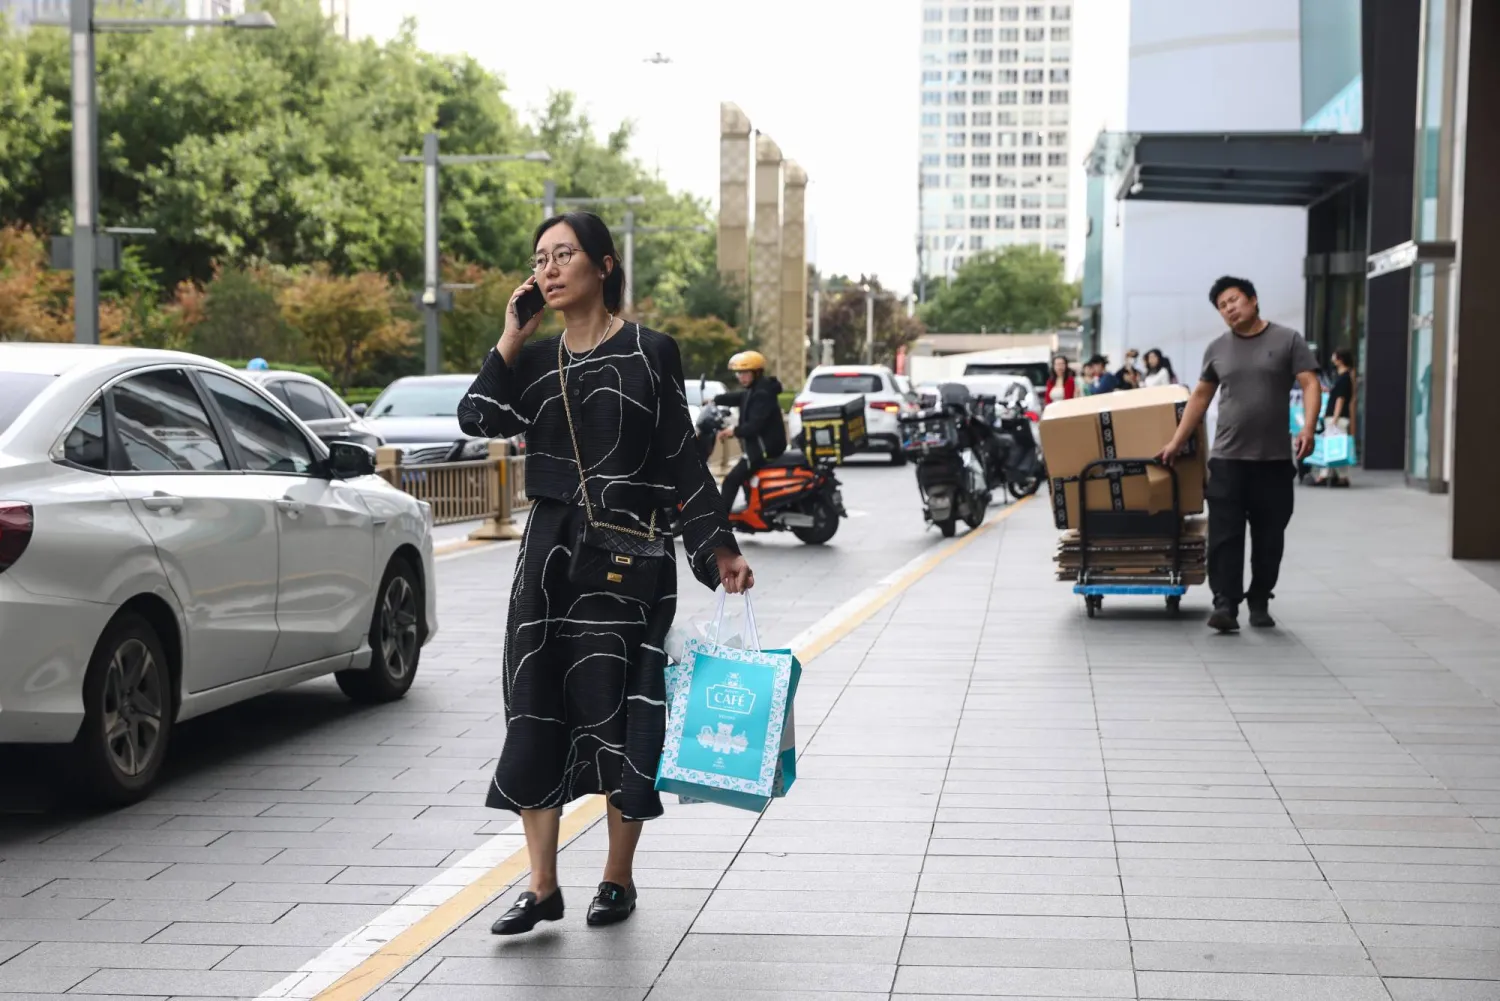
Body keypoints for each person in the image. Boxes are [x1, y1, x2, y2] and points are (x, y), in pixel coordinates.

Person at [456, 212, 753, 935]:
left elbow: (682, 453)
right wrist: (511, 331)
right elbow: (478, 417)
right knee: (536, 707)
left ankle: (616, 878)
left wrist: (719, 545)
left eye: (565, 256)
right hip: (551, 557)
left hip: (629, 558)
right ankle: (542, 884)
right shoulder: (532, 359)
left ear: (604, 265)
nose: (550, 270)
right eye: (539, 259)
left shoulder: (651, 352)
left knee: (621, 714)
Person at [1156, 275, 1320, 634]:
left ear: (1253, 299)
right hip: (1227, 459)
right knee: (1225, 536)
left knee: (1269, 535)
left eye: (1233, 300)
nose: (1229, 309)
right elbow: (1200, 397)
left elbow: (1310, 382)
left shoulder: (1287, 339)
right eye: (1222, 306)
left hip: (1274, 461)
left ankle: (1260, 599)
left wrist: (1308, 427)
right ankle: (1225, 604)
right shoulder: (1217, 348)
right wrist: (1176, 441)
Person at [712, 350, 786, 511]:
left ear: (757, 373)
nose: (740, 377)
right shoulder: (756, 389)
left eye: (745, 373)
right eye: (739, 373)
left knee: (731, 481)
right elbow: (739, 397)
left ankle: (719, 524)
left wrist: (733, 431)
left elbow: (754, 426)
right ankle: (750, 508)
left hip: (764, 450)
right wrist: (714, 400)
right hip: (760, 447)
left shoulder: (762, 393)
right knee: (743, 477)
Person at [1317, 348, 1356, 487]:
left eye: (1335, 356)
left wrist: (1335, 417)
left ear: (1340, 359)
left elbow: (1341, 399)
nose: (1332, 358)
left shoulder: (1344, 378)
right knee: (1335, 447)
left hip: (1337, 418)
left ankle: (1331, 476)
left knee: (1334, 447)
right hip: (1337, 417)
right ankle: (1334, 476)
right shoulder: (1343, 377)